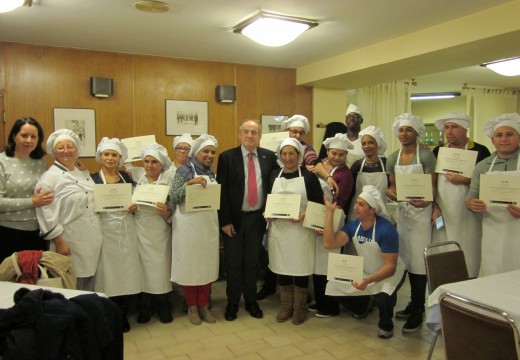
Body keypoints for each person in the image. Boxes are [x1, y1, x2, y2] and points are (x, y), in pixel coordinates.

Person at [322, 185, 404, 339]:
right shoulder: (354, 226)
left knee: (384, 294)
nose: (356, 207)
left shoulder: (386, 230)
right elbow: (329, 243)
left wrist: (368, 280)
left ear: (373, 209)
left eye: (361, 204)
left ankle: (385, 325)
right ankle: (362, 306)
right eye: (356, 203)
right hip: (367, 270)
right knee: (333, 285)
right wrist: (329, 213)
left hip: (389, 273)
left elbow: (390, 267)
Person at [217, 119, 279, 321]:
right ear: (239, 135)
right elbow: (222, 191)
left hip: (257, 219)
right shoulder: (227, 157)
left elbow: (277, 183)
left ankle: (251, 301)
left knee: (252, 263)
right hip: (234, 220)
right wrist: (224, 221)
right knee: (234, 263)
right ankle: (233, 302)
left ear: (260, 136)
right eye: (246, 132)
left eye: (254, 132)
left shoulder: (269, 157)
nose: (250, 135)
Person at [385, 113, 437, 333]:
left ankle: (418, 309)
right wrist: (393, 194)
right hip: (403, 214)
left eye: (409, 130)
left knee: (418, 262)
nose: (404, 134)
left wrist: (425, 200)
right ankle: (412, 304)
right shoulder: (392, 157)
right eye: (401, 130)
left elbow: (432, 187)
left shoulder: (426, 157)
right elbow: (390, 187)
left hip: (422, 214)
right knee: (404, 259)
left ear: (417, 133)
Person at [35, 129, 102, 291]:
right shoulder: (49, 178)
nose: (66, 151)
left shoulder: (81, 172)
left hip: (91, 238)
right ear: (54, 152)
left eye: (70, 147)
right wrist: (59, 242)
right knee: (71, 282)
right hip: (69, 239)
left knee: (89, 280)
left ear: (77, 150)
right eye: (61, 147)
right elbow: (46, 215)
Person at [267, 137, 324, 325]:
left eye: (292, 153)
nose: (288, 157)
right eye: (284, 153)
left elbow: (319, 204)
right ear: (280, 156)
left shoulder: (308, 176)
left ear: (298, 155)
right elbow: (267, 200)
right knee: (282, 268)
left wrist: (304, 215)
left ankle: (300, 308)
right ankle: (286, 306)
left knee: (300, 269)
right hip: (279, 231)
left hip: (301, 231)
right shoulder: (274, 174)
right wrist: (268, 213)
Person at [167, 134, 219, 325]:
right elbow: (172, 198)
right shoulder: (183, 171)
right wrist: (189, 184)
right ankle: (192, 307)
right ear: (196, 153)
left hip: (208, 228)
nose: (210, 155)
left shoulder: (211, 172)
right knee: (190, 267)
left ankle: (204, 306)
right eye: (206, 151)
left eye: (213, 152)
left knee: (206, 266)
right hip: (188, 228)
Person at [431, 113, 490, 278]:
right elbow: (432, 183)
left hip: (469, 215)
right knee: (443, 251)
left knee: (469, 251)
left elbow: (487, 184)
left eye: (454, 127)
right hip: (443, 212)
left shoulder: (480, 150)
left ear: (465, 129)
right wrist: (434, 207)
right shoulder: (438, 151)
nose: (449, 132)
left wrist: (465, 180)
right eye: (447, 127)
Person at [91, 137, 140, 332]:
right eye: (106, 154)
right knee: (107, 273)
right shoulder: (92, 178)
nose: (110, 158)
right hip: (105, 229)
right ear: (100, 156)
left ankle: (123, 312)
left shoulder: (126, 178)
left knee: (126, 271)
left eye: (114, 155)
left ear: (120, 158)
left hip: (126, 229)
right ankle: (109, 313)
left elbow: (136, 198)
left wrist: (134, 207)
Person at [466, 113, 520, 276]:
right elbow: (471, 195)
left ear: (518, 137)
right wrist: (471, 204)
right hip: (492, 231)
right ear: (492, 140)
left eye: (509, 134)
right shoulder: (482, 166)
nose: (504, 139)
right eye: (499, 135)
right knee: (493, 272)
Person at [310, 133, 352, 318]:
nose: (337, 157)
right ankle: (320, 302)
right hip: (317, 215)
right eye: (334, 153)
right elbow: (316, 164)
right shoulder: (322, 166)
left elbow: (340, 202)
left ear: (346, 156)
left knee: (328, 264)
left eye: (341, 155)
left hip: (333, 217)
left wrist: (326, 223)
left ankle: (330, 306)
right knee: (317, 263)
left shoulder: (345, 174)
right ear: (327, 152)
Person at [130, 143, 173, 324]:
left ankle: (164, 306)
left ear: (161, 164)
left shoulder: (169, 182)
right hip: (139, 229)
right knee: (143, 271)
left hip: (160, 230)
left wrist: (166, 212)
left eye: (154, 162)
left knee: (161, 270)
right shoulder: (135, 178)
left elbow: (174, 211)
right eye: (146, 161)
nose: (149, 165)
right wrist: (130, 209)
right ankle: (145, 307)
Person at [0, 117, 53, 261]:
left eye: (33, 136)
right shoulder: (2, 162)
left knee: (34, 280)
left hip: (37, 233)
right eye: (24, 135)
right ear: (13, 136)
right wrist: (32, 202)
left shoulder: (40, 162)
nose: (29, 140)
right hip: (8, 233)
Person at [348, 126, 388, 222]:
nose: (366, 146)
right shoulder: (357, 165)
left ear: (377, 144)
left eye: (371, 142)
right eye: (364, 143)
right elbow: (349, 189)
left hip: (380, 212)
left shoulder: (386, 163)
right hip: (358, 213)